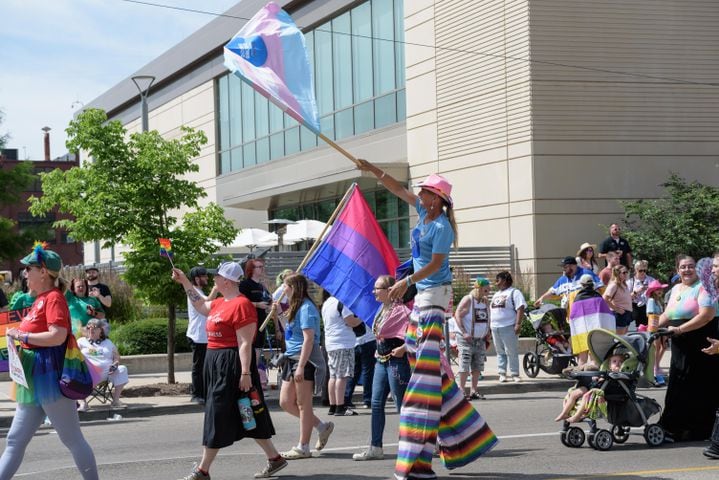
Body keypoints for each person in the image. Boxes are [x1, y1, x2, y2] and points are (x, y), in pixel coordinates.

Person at [357, 159, 497, 479]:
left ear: (437, 198)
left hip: (434, 297)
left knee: (426, 379)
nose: (418, 196)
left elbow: (435, 264)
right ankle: (467, 436)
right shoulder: (424, 214)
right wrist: (373, 171)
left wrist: (405, 282)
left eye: (424, 192)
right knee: (431, 374)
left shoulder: (442, 227)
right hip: (423, 298)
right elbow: (397, 189)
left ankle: (424, 454)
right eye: (420, 192)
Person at [172, 261, 287, 479]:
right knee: (247, 412)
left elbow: (245, 343)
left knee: (217, 413)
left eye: (217, 276)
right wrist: (184, 281)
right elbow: (199, 305)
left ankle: (202, 470)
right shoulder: (218, 302)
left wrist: (245, 374)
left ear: (226, 280)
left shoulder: (242, 304)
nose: (213, 279)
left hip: (232, 365)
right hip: (215, 362)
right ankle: (275, 458)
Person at [0, 244, 98, 480]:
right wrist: (17, 338)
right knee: (14, 439)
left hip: (50, 375)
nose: (25, 273)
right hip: (34, 377)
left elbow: (58, 335)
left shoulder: (53, 299)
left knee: (72, 438)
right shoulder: (40, 299)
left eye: (29, 268)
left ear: (43, 272)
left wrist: (22, 336)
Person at [657, 254, 719, 442]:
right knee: (678, 383)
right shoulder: (676, 289)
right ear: (677, 270)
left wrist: (679, 329)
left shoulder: (705, 287)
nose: (687, 270)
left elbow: (706, 316)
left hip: (699, 340)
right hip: (680, 343)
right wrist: (652, 329)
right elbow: (668, 313)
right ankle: (673, 426)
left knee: (698, 386)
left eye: (691, 266)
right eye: (683, 267)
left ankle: (696, 430)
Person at [353, 275, 411, 461]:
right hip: (381, 360)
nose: (374, 291)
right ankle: (375, 447)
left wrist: (403, 348)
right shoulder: (382, 308)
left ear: (390, 290)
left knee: (401, 405)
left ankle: (410, 447)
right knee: (376, 404)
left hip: (397, 362)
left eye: (377, 288)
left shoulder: (402, 311)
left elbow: (416, 335)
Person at [277, 273, 334, 460]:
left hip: (304, 360)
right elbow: (292, 333)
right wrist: (278, 314)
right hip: (291, 358)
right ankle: (321, 427)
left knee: (303, 405)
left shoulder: (307, 308)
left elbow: (309, 339)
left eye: (285, 286)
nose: (282, 289)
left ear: (294, 288)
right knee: (285, 402)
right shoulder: (296, 307)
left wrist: (301, 366)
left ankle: (303, 446)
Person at [321, 293, 362, 416]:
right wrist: (362, 318)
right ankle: (340, 406)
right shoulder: (342, 303)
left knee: (333, 375)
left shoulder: (327, 303)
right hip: (343, 343)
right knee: (342, 376)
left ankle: (333, 406)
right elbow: (351, 322)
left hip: (331, 343)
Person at [554, 353, 625, 423]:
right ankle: (564, 413)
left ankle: (577, 416)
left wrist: (602, 379)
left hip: (606, 391)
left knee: (586, 396)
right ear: (609, 365)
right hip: (594, 387)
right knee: (574, 393)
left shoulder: (622, 374)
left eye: (620, 362)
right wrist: (597, 378)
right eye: (614, 361)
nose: (617, 363)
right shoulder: (607, 372)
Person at [76, 318, 129, 411]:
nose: (91, 330)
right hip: (88, 374)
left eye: (94, 328)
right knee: (74, 373)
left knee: (122, 369)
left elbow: (116, 356)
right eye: (88, 328)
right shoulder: (81, 341)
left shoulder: (108, 342)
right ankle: (83, 403)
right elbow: (73, 356)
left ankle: (116, 401)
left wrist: (115, 363)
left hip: (106, 373)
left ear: (101, 330)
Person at [453, 276, 491, 397]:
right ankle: (461, 390)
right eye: (486, 290)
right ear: (478, 289)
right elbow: (457, 315)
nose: (488, 292)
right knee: (464, 363)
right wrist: (464, 332)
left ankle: (474, 390)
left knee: (478, 365)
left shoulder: (485, 301)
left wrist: (487, 332)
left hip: (480, 339)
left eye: (488, 290)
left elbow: (487, 318)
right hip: (466, 339)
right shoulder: (468, 299)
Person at [568, 275, 615, 367]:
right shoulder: (598, 298)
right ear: (593, 285)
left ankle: (581, 379)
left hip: (581, 332)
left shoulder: (577, 299)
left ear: (581, 285)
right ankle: (594, 378)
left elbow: (572, 317)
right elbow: (607, 315)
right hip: (595, 333)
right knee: (594, 355)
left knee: (582, 358)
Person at [186, 266, 217, 405]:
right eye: (204, 276)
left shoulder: (199, 290)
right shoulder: (194, 292)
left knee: (205, 366)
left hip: (204, 335)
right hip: (197, 335)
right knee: (198, 367)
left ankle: (204, 393)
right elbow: (207, 302)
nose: (207, 278)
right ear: (197, 279)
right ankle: (196, 394)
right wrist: (216, 288)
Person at [490, 271, 527, 383]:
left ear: (505, 280)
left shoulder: (514, 292)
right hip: (495, 328)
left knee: (511, 351)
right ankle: (502, 373)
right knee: (500, 351)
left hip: (508, 327)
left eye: (498, 279)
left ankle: (515, 374)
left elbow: (520, 308)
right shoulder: (496, 294)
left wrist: (518, 324)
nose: (496, 282)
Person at [535, 257, 602, 310]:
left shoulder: (587, 274)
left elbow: (601, 288)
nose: (563, 269)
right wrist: (542, 298)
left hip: (589, 313)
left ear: (573, 266)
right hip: (571, 319)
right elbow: (552, 291)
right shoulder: (562, 280)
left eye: (565, 267)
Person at [344, 324, 376, 410]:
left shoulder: (351, 311)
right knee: (368, 372)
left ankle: (347, 398)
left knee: (353, 372)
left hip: (354, 342)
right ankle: (367, 400)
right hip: (369, 339)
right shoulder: (370, 310)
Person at [644, 279, 668, 385]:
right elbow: (649, 314)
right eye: (657, 289)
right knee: (656, 348)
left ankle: (656, 366)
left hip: (661, 326)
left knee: (664, 347)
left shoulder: (659, 301)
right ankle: (654, 370)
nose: (660, 291)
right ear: (653, 291)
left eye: (660, 289)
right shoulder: (651, 300)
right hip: (654, 326)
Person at [603, 265, 633, 335]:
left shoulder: (624, 284)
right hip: (620, 314)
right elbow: (604, 299)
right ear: (617, 274)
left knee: (624, 337)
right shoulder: (614, 285)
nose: (626, 274)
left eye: (627, 272)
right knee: (620, 338)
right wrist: (617, 309)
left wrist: (635, 294)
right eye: (624, 272)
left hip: (627, 313)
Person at [627, 260, 654, 329]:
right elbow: (627, 298)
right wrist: (637, 291)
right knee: (637, 329)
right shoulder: (630, 282)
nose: (643, 272)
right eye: (640, 270)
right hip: (635, 308)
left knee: (650, 329)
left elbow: (658, 294)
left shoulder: (651, 280)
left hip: (649, 307)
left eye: (644, 270)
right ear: (635, 270)